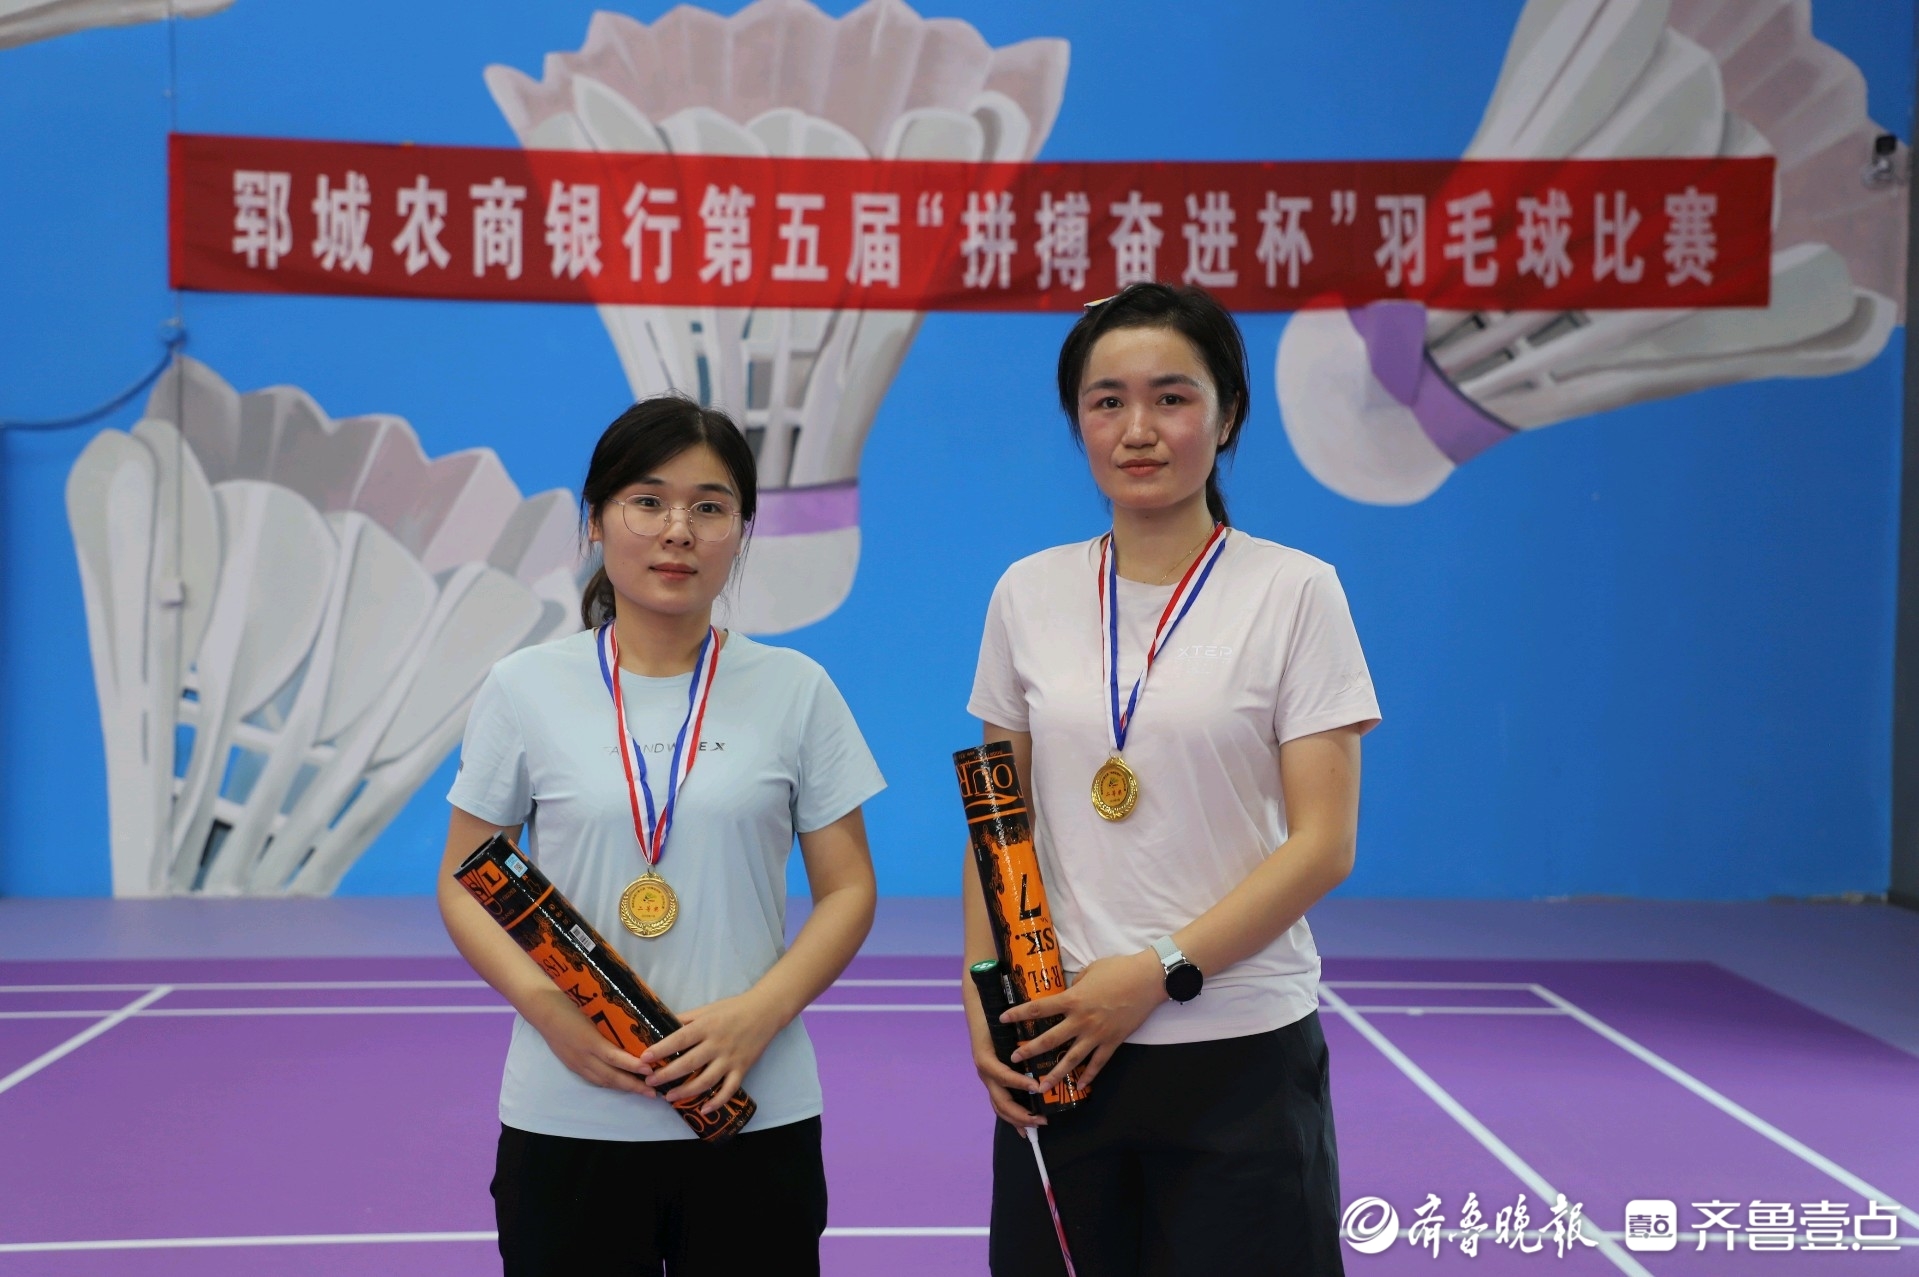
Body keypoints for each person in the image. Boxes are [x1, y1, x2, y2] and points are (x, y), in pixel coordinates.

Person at [963, 283, 1381, 1276]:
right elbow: (995, 818)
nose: (1137, 428)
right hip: (1062, 1043)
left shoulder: (1294, 591)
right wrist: (983, 994)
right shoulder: (1027, 592)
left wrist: (1153, 971)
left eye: (1171, 397)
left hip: (1239, 1051)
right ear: (1078, 420)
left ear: (1226, 415)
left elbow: (1323, 845)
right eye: (1106, 400)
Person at [437, 396, 884, 1276]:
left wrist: (758, 1015)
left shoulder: (796, 688)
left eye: (709, 507)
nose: (677, 530)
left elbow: (849, 888)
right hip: (569, 1112)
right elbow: (465, 878)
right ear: (595, 520)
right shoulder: (523, 687)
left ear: (740, 532)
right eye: (647, 501)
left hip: (753, 1107)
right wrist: (548, 1009)